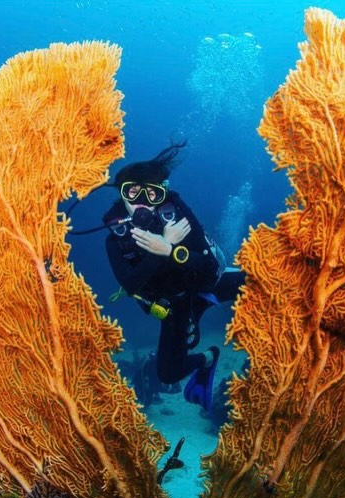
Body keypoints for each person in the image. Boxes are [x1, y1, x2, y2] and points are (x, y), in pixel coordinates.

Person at [102, 140, 245, 411]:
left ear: (162, 195)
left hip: (205, 283)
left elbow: (208, 267)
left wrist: (171, 249)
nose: (142, 203)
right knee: (167, 373)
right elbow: (131, 284)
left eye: (152, 195)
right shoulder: (116, 239)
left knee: (260, 281)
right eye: (132, 194)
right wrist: (162, 250)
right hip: (174, 306)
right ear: (122, 196)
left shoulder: (177, 219)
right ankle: (208, 358)